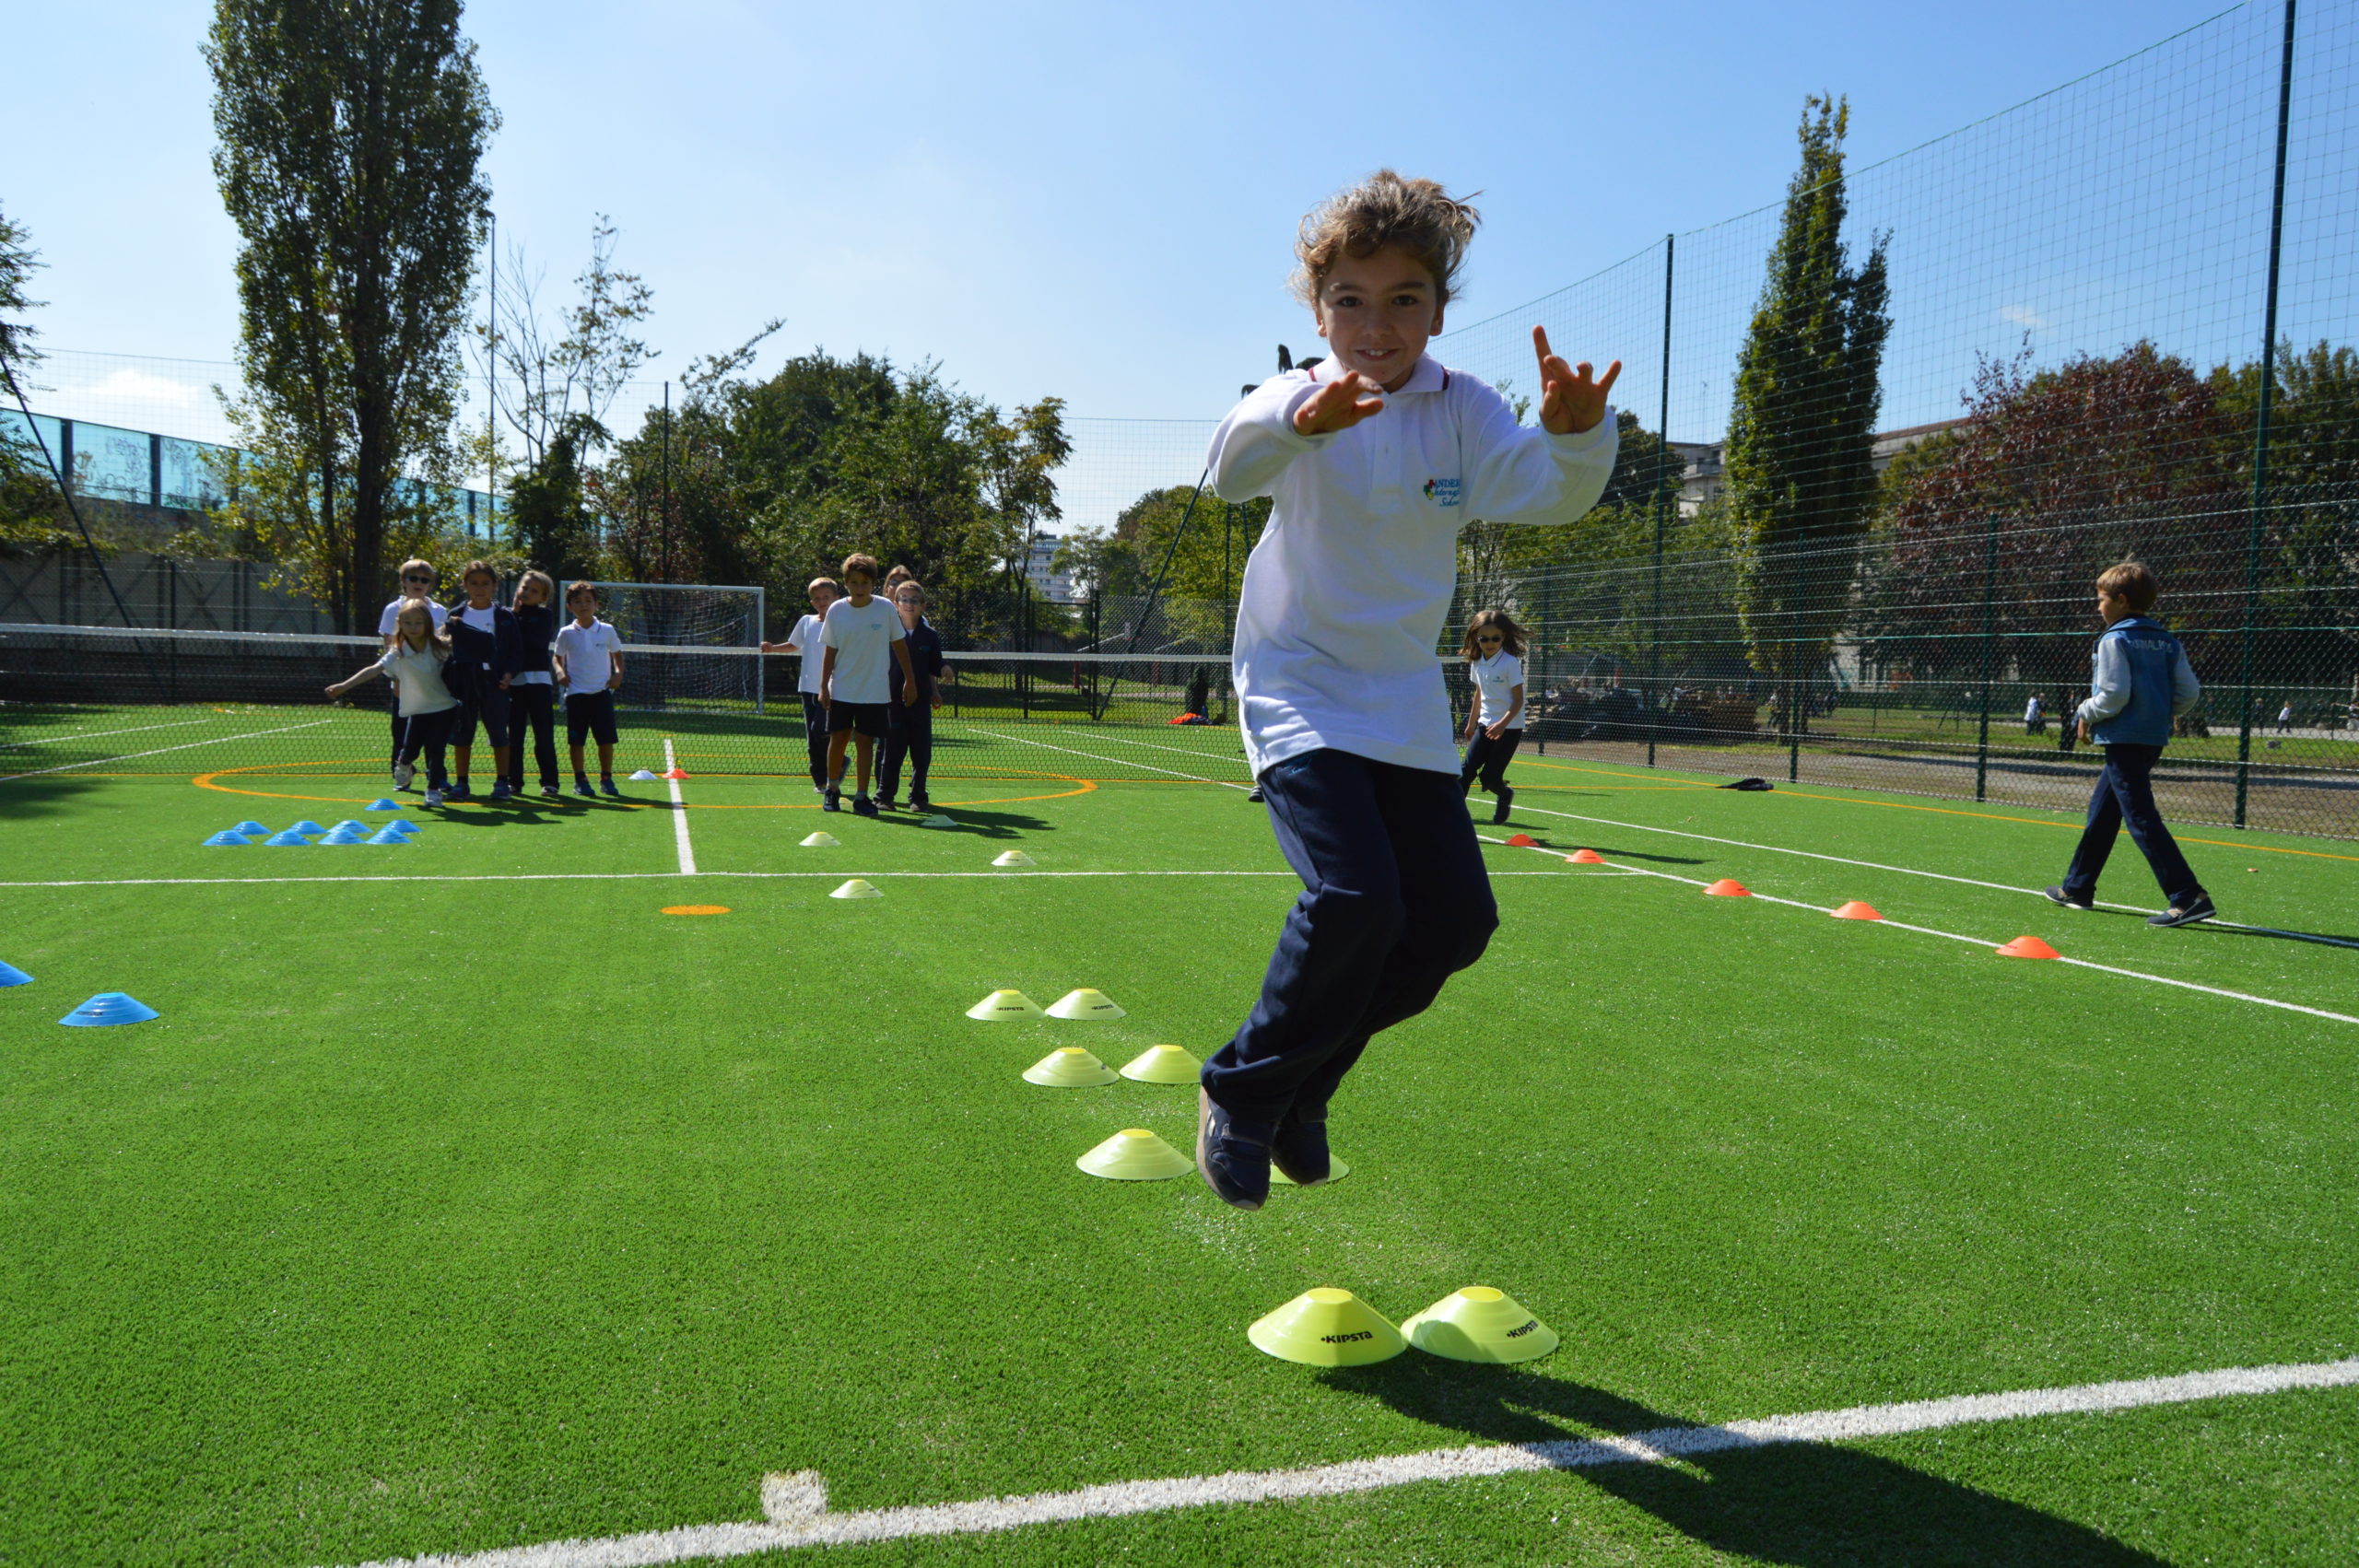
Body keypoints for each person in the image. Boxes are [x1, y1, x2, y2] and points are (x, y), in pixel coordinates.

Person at [1194, 170, 1621, 1210]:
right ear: (1315, 306)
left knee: (1449, 926)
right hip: (1296, 688)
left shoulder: (1462, 408)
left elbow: (1547, 493)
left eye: (1402, 299)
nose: (1374, 324)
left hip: (1398, 704)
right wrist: (1303, 417)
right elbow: (1228, 470)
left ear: (1437, 307)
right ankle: (1242, 1091)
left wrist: (1574, 436)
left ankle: (1307, 1086)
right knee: (1355, 898)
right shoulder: (1294, 395)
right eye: (1349, 297)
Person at [2044, 561, 2212, 927]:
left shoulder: (2114, 639)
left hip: (2123, 737)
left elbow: (2113, 694)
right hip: (2152, 736)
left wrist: (2084, 712)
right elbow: (2189, 693)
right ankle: (2078, 886)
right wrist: (2158, 710)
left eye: (2101, 599)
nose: (2098, 606)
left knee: (2139, 815)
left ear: (2121, 601)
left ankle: (2187, 894)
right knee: (2104, 811)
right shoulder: (2168, 640)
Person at [330, 599, 459, 807]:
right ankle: (404, 763)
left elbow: (465, 651)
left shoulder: (439, 646)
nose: (413, 627)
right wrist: (344, 686)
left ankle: (433, 790)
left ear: (427, 623)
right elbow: (374, 670)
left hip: (444, 706)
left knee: (437, 750)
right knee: (410, 750)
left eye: (418, 622)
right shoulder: (398, 651)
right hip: (417, 709)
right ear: (400, 624)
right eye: (408, 623)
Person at [818, 553, 918, 817]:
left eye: (865, 582)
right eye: (854, 582)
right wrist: (823, 686)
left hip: (874, 692)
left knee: (865, 743)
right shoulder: (837, 610)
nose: (859, 588)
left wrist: (910, 680)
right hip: (842, 689)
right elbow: (830, 650)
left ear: (873, 583)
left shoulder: (885, 608)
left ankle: (862, 797)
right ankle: (832, 789)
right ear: (846, 583)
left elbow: (900, 646)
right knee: (838, 739)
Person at [441, 560, 523, 802]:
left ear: (494, 586)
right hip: (464, 681)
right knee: (462, 734)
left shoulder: (505, 616)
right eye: (474, 583)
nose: (480, 589)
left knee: (499, 733)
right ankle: (461, 783)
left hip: (494, 683)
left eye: (485, 584)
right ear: (465, 585)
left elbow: (517, 652)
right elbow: (446, 648)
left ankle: (501, 782)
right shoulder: (456, 615)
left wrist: (509, 674)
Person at [760, 577, 839, 797]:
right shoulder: (806, 621)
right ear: (812, 602)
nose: (821, 601)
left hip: (833, 689)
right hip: (807, 689)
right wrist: (772, 648)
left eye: (826, 597)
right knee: (812, 738)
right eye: (816, 599)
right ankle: (821, 782)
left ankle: (838, 763)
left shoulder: (842, 623)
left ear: (837, 598)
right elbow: (794, 645)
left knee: (821, 731)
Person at [879, 579, 948, 811]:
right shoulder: (886, 632)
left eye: (914, 600)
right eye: (904, 599)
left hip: (920, 703)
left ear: (923, 606)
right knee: (892, 751)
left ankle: (918, 797)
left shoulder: (929, 635)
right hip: (892, 702)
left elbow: (935, 664)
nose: (909, 604)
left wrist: (943, 673)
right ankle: (884, 796)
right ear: (895, 603)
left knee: (921, 752)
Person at [379, 560, 447, 789]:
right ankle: (402, 776)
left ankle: (436, 777)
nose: (419, 583)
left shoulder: (439, 611)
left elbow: (443, 648)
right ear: (403, 582)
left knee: (434, 735)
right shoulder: (392, 609)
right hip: (404, 682)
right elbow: (390, 644)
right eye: (413, 578)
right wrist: (396, 678)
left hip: (433, 685)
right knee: (401, 731)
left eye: (424, 579)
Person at [555, 580, 626, 798]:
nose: (583, 605)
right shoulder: (566, 633)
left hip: (601, 694)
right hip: (576, 695)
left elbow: (618, 656)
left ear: (597, 605)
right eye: (577, 602)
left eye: (588, 601)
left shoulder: (606, 630)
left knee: (606, 740)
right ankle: (580, 780)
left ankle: (606, 777)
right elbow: (557, 658)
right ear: (570, 607)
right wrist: (560, 672)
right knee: (577, 741)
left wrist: (617, 674)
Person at [1458, 609, 1527, 824]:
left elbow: (1518, 701)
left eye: (1495, 638)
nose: (1490, 643)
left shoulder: (1509, 663)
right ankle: (1455, 817)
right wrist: (1471, 724)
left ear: (1503, 637)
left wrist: (1501, 724)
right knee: (1466, 771)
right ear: (1476, 638)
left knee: (1489, 778)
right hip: (1484, 725)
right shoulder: (1477, 662)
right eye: (1484, 638)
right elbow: (1479, 693)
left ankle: (1505, 794)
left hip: (1509, 728)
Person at [504, 570, 562, 799]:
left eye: (534, 590)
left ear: (543, 596)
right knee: (514, 736)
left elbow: (535, 643)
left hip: (538, 683)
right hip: (514, 684)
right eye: (524, 587)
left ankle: (550, 782)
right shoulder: (507, 615)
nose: (527, 592)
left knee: (543, 735)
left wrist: (515, 625)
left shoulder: (544, 615)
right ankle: (513, 781)